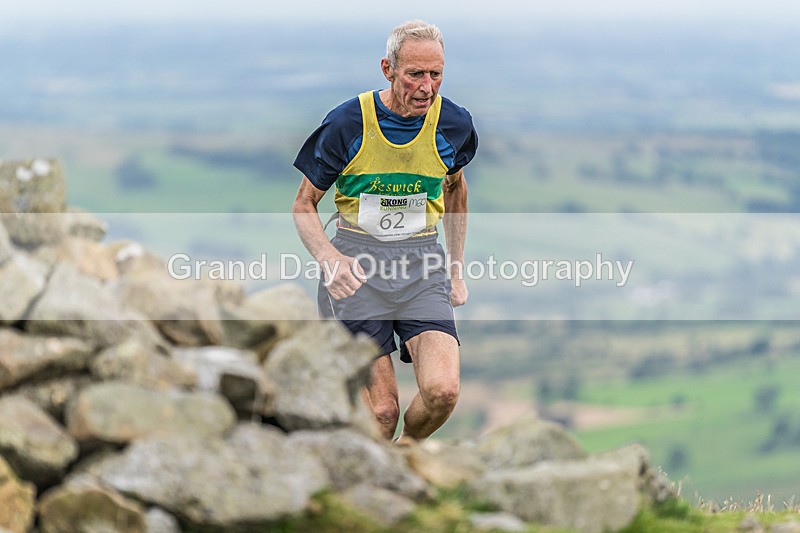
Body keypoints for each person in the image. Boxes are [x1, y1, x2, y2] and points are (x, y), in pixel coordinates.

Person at [292, 19, 478, 443]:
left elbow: (456, 189)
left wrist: (456, 269)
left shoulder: (454, 125)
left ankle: (405, 458)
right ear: (388, 69)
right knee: (381, 412)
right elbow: (303, 204)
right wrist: (328, 258)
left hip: (421, 263)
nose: (427, 87)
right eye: (415, 74)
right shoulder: (346, 124)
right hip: (356, 269)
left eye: (436, 74)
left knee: (442, 392)